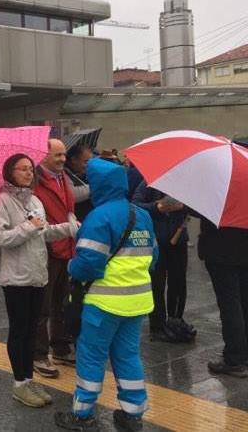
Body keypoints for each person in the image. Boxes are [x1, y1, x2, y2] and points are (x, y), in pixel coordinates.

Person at [55, 158, 157, 432]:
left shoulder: (99, 217)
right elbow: (154, 258)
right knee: (128, 355)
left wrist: (70, 266)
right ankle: (133, 413)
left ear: (98, 185)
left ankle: (83, 414)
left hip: (104, 303)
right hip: (137, 302)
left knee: (91, 356)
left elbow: (87, 264)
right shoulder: (142, 215)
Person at [0, 154, 78, 408]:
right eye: (23, 169)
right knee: (19, 332)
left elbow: (44, 232)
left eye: (31, 169)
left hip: (38, 275)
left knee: (31, 332)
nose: (29, 173)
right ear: (10, 172)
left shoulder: (35, 200)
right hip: (16, 279)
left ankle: (28, 378)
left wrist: (68, 228)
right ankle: (20, 384)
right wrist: (27, 227)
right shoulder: (3, 201)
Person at [32, 139, 76, 377]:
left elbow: (68, 207)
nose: (62, 159)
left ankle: (60, 346)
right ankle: (39, 354)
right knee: (43, 305)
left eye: (64, 155)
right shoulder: (36, 182)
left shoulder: (63, 178)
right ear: (44, 155)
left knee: (62, 301)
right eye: (57, 155)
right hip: (47, 249)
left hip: (66, 246)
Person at [133, 182, 192, 343]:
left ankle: (176, 319)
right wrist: (157, 207)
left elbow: (197, 208)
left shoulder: (186, 184)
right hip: (156, 241)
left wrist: (183, 206)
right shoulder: (148, 184)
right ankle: (157, 325)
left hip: (178, 241)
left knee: (178, 282)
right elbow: (135, 205)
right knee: (156, 284)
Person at [198, 219, 248, 377]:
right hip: (243, 250)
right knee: (244, 302)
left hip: (221, 253)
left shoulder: (218, 196)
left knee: (230, 305)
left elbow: (197, 210)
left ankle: (235, 359)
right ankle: (242, 352)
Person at [65, 144, 93, 222]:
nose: (89, 165)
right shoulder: (63, 174)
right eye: (86, 162)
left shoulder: (84, 174)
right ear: (74, 160)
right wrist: (95, 186)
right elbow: (72, 195)